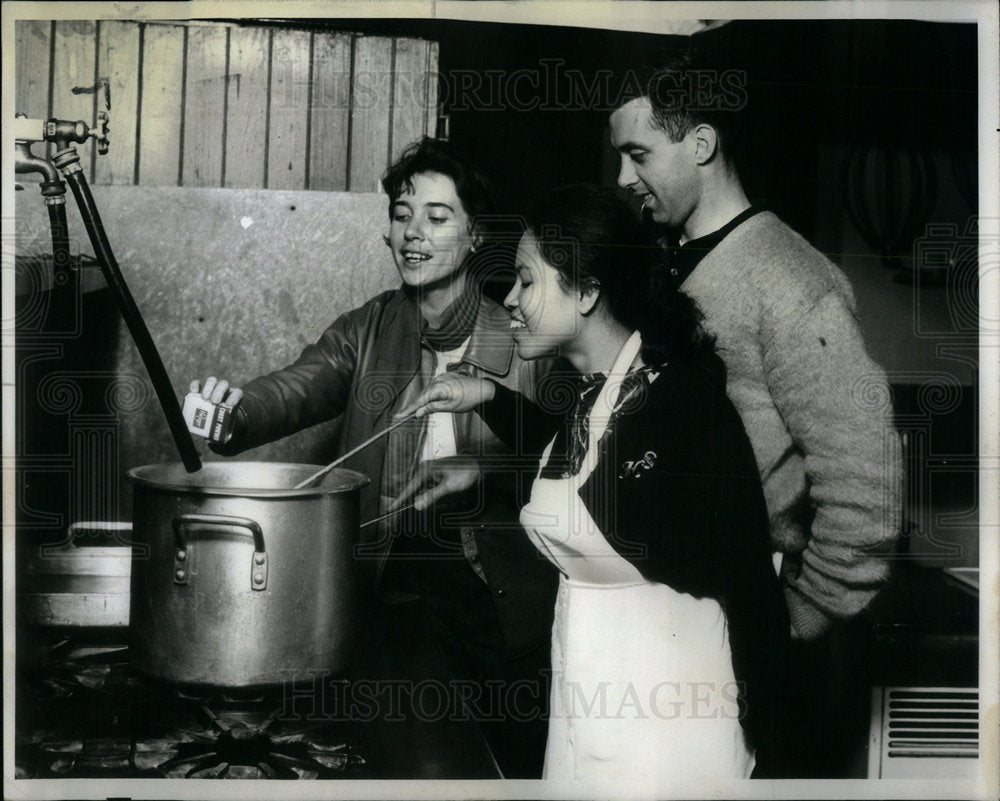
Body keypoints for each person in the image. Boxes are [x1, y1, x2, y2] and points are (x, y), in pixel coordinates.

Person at [396, 184, 790, 787]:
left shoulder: (682, 401)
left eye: (527, 281)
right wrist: (491, 398)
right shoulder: (591, 396)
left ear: (584, 290)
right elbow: (583, 465)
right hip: (584, 716)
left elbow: (746, 583)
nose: (510, 299)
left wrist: (777, 753)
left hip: (670, 734)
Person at [188, 137, 557, 779]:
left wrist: (491, 469)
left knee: (504, 769)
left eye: (438, 217)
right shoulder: (368, 328)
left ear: (476, 238)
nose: (413, 233)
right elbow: (296, 386)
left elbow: (576, 457)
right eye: (402, 214)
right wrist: (235, 412)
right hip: (390, 591)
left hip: (497, 604)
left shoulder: (527, 339)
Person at [607, 48, 902, 776]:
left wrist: (795, 619)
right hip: (692, 624)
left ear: (701, 143)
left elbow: (868, 487)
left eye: (638, 153)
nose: (622, 178)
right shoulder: (671, 262)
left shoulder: (792, 280)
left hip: (772, 635)